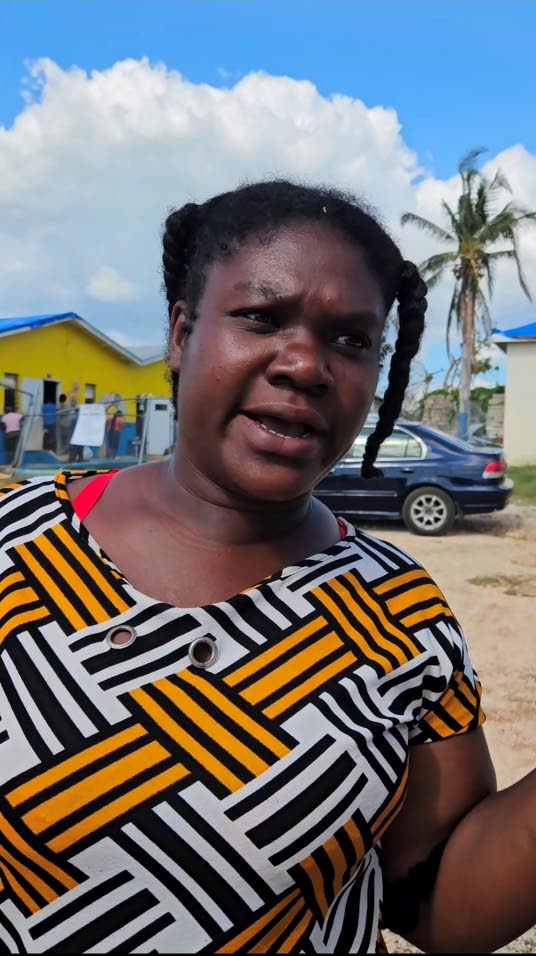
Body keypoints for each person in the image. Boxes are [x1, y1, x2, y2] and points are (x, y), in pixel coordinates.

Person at [0, 181, 533, 955]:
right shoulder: (16, 546)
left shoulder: (400, 609)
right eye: (260, 317)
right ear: (181, 333)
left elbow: (436, 901)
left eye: (351, 340)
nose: (307, 364)